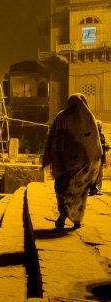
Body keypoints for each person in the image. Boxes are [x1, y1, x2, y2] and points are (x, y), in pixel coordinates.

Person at [42, 93, 103, 230]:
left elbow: (54, 138)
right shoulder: (90, 118)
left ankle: (63, 215)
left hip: (64, 164)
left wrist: (57, 158)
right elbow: (95, 144)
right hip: (85, 164)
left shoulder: (61, 116)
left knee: (63, 190)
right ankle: (77, 221)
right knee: (80, 193)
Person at [89, 120, 109, 196]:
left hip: (101, 156)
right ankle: (92, 189)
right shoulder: (93, 135)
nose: (100, 127)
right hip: (95, 157)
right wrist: (104, 146)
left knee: (100, 174)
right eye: (99, 126)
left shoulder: (102, 135)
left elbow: (103, 143)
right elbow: (94, 145)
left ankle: (97, 189)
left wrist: (106, 147)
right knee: (94, 173)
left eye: (100, 126)